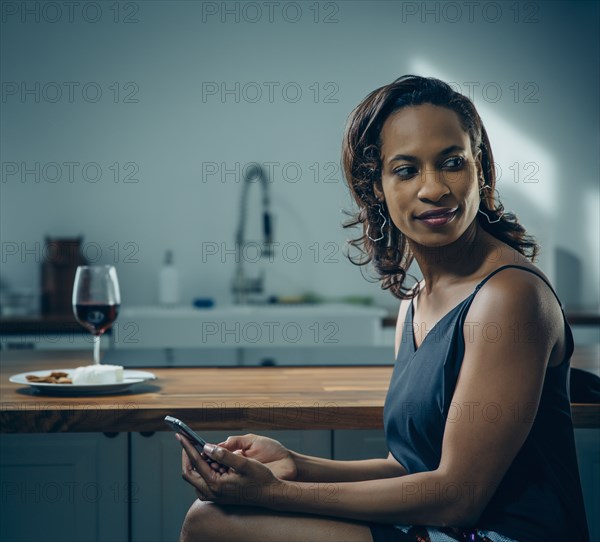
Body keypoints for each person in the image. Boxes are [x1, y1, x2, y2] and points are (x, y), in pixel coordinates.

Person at [175, 75, 590, 542]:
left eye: (452, 163)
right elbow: (409, 468)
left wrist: (272, 494)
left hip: (497, 534)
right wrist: (295, 465)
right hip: (439, 527)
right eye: (407, 169)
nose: (434, 188)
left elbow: (459, 495)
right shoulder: (416, 303)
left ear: (481, 170)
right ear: (375, 187)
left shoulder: (509, 297)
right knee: (210, 520)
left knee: (210, 523)